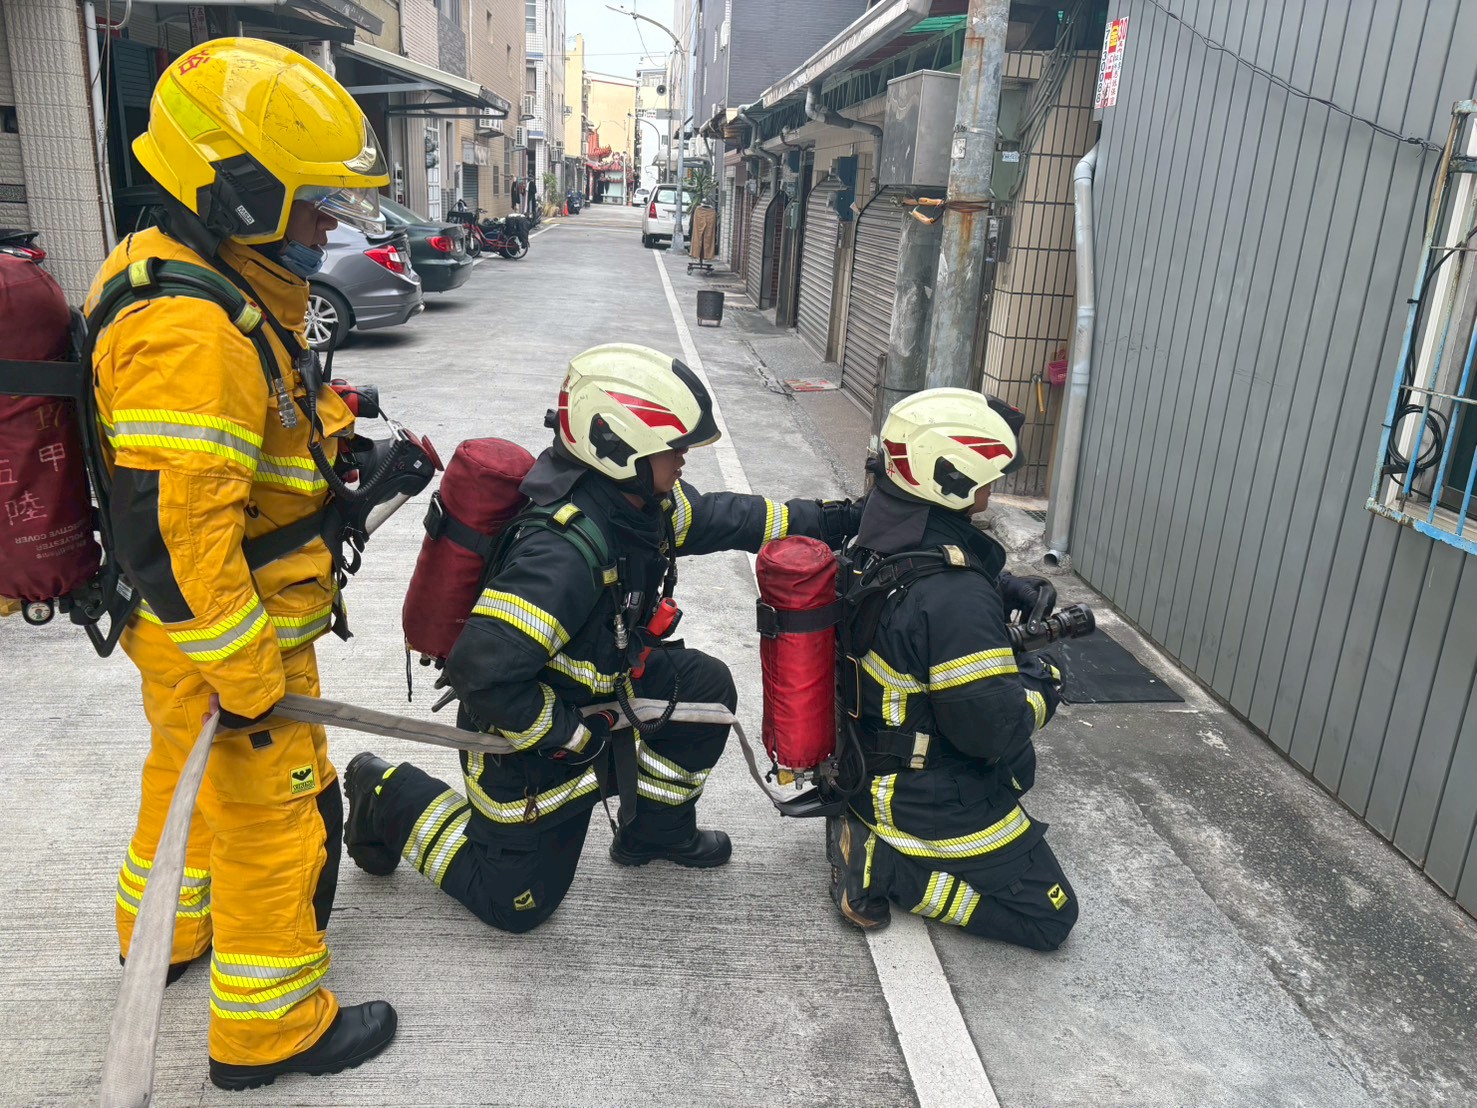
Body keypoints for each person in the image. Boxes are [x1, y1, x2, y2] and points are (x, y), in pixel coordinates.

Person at [89, 38, 397, 1090]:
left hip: (182, 636)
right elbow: (179, 532)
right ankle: (271, 1031)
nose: (327, 227)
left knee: (181, 784)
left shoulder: (193, 280)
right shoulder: (190, 327)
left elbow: (240, 433)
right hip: (232, 629)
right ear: (237, 189)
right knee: (272, 824)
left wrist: (336, 430)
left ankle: (167, 934)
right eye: (313, 206)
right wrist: (253, 675)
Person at [344, 343, 855, 932]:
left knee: (706, 692)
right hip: (526, 734)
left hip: (600, 688)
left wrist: (832, 519)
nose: (685, 459)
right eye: (675, 448)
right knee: (516, 905)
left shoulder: (636, 503)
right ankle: (384, 792)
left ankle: (654, 833)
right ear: (620, 447)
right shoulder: (562, 555)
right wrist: (564, 736)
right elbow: (479, 672)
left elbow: (722, 517)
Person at [826, 388, 1079, 951]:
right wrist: (1045, 680)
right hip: (919, 796)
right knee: (1050, 916)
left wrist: (1000, 586)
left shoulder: (877, 533)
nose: (996, 484)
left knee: (1019, 772)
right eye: (988, 471)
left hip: (865, 763)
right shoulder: (954, 598)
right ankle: (886, 869)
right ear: (954, 478)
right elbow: (992, 732)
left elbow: (925, 591)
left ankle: (872, 833)